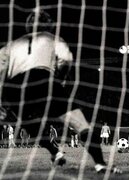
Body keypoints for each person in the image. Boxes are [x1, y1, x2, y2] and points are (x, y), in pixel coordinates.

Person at [0, 10, 121, 173]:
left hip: (15, 88)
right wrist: (60, 80)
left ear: (28, 26)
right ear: (49, 25)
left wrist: (2, 99)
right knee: (80, 124)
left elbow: (1, 72)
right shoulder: (53, 39)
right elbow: (66, 60)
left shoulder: (11, 45)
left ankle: (55, 153)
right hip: (44, 79)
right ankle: (100, 163)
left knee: (30, 124)